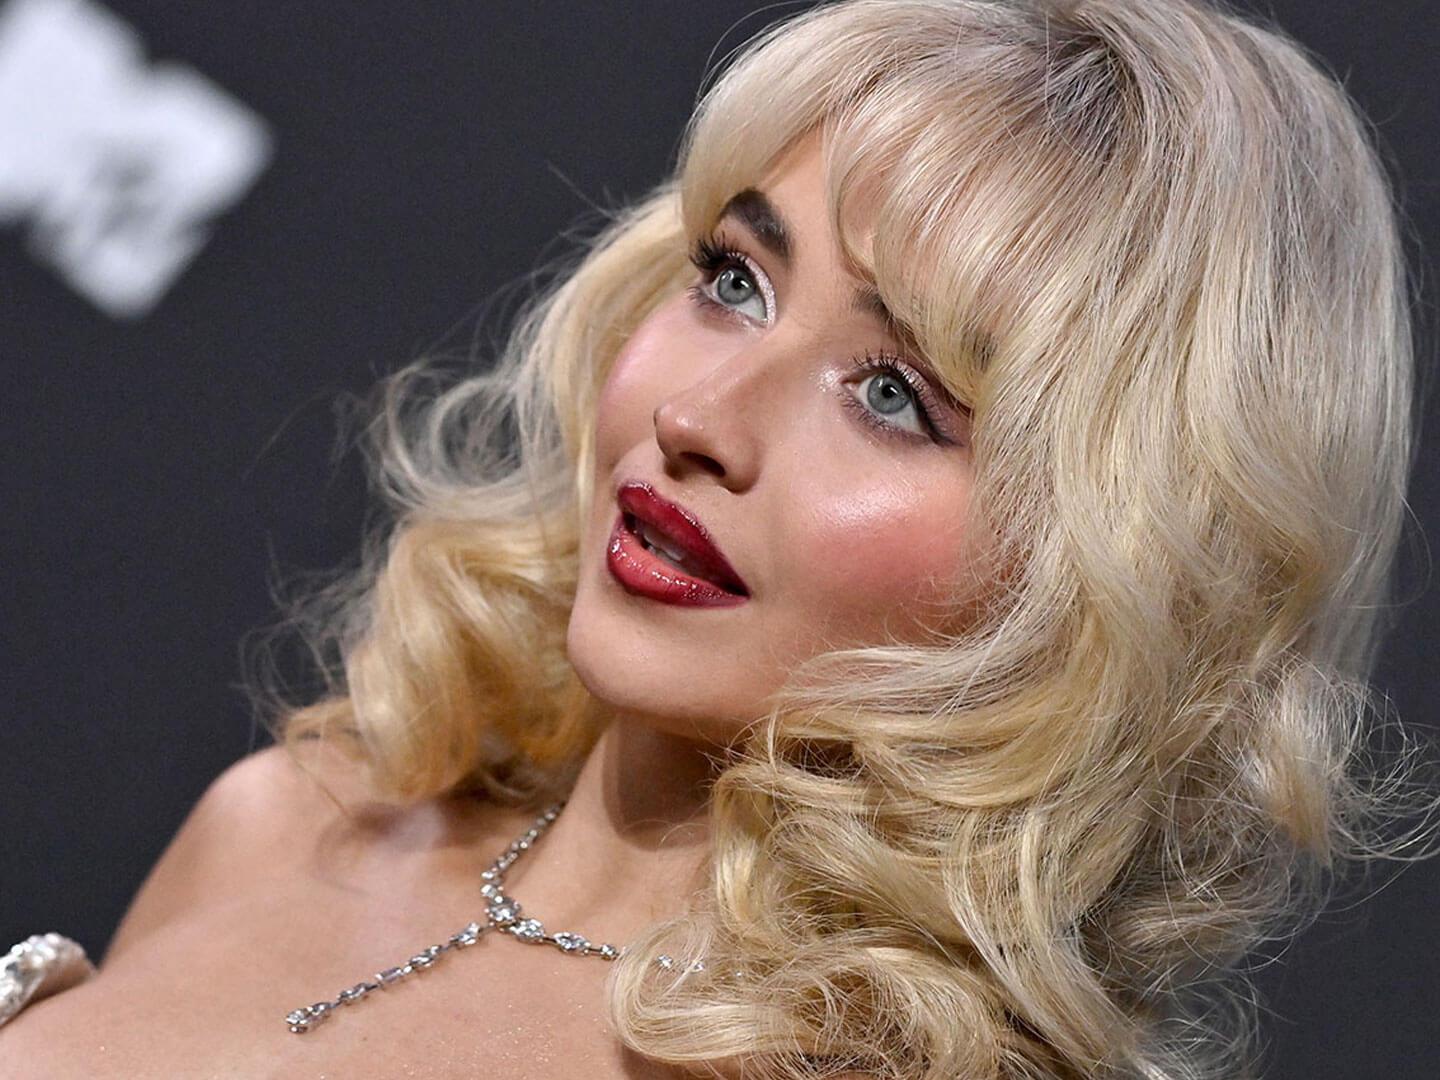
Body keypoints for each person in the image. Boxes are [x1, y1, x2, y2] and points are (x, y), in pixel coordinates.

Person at [2, 0, 1432, 1075]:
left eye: (896, 396)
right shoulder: (284, 820)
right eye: (735, 281)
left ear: (1106, 575)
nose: (701, 414)